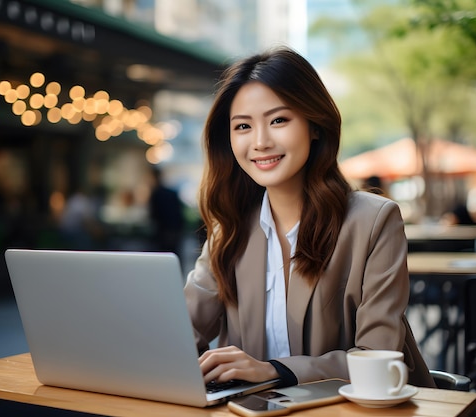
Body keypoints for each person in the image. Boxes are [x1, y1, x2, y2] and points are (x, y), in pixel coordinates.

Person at [184, 47, 435, 389]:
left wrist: (275, 370)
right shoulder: (229, 229)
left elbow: (378, 356)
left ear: (315, 125)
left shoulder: (374, 221)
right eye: (243, 126)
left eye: (279, 120)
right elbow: (181, 332)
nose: (260, 141)